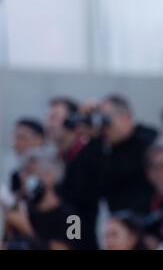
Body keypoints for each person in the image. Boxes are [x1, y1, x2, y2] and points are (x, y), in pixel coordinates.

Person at [46, 97, 100, 250]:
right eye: (48, 118)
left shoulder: (90, 153)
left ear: (72, 121)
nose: (48, 124)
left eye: (54, 118)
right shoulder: (58, 159)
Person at [96, 94, 158, 214]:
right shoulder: (106, 148)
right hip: (118, 220)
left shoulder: (148, 140)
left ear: (125, 117)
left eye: (106, 120)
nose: (103, 128)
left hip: (146, 219)